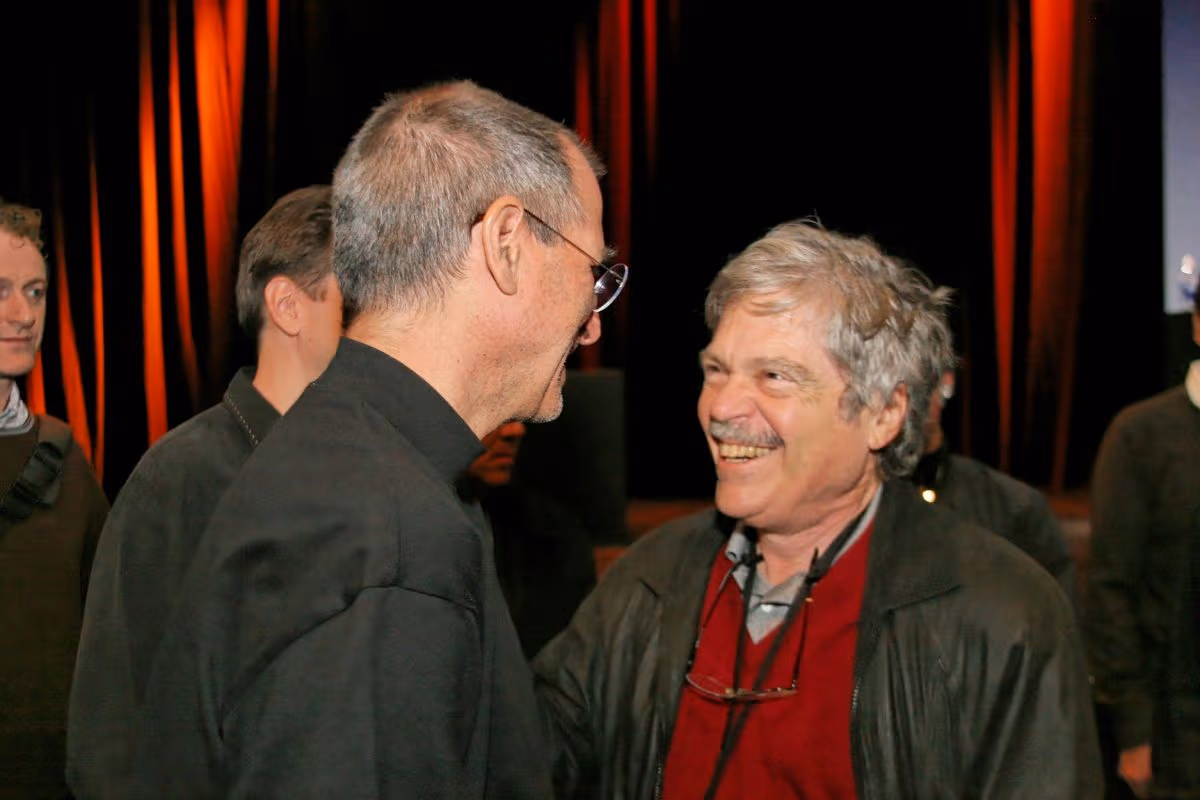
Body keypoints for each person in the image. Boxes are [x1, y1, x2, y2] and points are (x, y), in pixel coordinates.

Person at [126, 80, 627, 798]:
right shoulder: (391, 535)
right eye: (593, 272)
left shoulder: (335, 460)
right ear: (507, 242)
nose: (593, 322)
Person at [534, 220, 1101, 799]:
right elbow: (525, 763)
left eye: (774, 377)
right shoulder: (646, 581)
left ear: (883, 413)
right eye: (716, 371)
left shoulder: (1002, 615)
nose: (723, 407)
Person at [66, 185, 343, 798]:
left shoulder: (369, 471)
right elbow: (113, 734)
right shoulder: (179, 479)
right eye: (361, 296)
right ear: (289, 306)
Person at [0, 198, 109, 798]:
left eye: (35, 292)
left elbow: (113, 634)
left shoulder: (64, 459)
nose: (22, 314)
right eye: (1, 290)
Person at [1085, 287, 1200, 799]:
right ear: (1197, 324)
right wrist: (1133, 731)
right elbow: (1111, 589)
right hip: (1178, 734)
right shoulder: (1142, 435)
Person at [908, 362, 1078, 607]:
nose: (906, 400)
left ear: (946, 382)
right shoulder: (854, 507)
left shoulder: (1015, 508)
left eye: (918, 378)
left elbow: (1057, 622)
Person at [467, 420, 597, 657]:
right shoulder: (393, 535)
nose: (515, 430)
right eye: (493, 404)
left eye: (517, 412)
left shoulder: (552, 533)